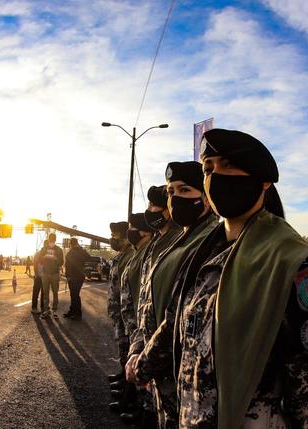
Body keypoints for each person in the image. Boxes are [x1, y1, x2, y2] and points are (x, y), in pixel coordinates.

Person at [173, 128, 308, 428]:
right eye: (208, 168)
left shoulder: (291, 257)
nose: (214, 177)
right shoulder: (204, 252)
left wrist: (277, 418)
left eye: (227, 166)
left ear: (263, 182)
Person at [126, 161, 218, 429]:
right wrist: (137, 348)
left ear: (206, 197)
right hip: (160, 369)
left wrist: (144, 362)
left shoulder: (208, 241)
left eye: (185, 190)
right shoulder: (183, 239)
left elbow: (180, 315)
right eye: (170, 191)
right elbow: (147, 302)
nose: (175, 197)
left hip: (181, 375)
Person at [115, 212, 156, 425]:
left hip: (139, 323)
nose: (130, 232)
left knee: (141, 371)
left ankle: (137, 407)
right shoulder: (138, 253)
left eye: (134, 228)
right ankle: (131, 399)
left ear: (145, 231)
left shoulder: (147, 253)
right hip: (131, 321)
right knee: (131, 362)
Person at [107, 221, 135, 384]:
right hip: (118, 310)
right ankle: (122, 374)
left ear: (125, 237)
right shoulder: (121, 256)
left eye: (114, 236)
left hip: (124, 311)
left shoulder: (129, 256)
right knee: (121, 345)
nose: (112, 239)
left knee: (126, 345)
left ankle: (127, 386)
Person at [63, 238, 91, 320]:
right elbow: (88, 257)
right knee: (74, 294)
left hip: (73, 277)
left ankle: (77, 314)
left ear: (71, 244)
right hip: (79, 276)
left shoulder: (70, 253)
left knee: (75, 295)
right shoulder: (81, 251)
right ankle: (72, 311)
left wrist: (67, 276)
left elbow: (67, 266)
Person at [39, 233, 64, 319]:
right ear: (49, 240)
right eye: (51, 240)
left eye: (53, 240)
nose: (52, 242)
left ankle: (55, 310)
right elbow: (39, 260)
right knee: (45, 293)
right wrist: (44, 257)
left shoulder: (59, 250)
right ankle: (46, 310)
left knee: (55, 293)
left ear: (55, 240)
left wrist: (56, 259)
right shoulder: (44, 249)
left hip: (55, 274)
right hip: (45, 273)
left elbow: (61, 262)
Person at [31, 242, 47, 314]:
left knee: (44, 293)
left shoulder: (48, 253)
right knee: (36, 292)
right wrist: (36, 273)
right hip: (39, 275)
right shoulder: (38, 253)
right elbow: (35, 264)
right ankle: (34, 308)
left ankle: (43, 307)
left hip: (45, 276)